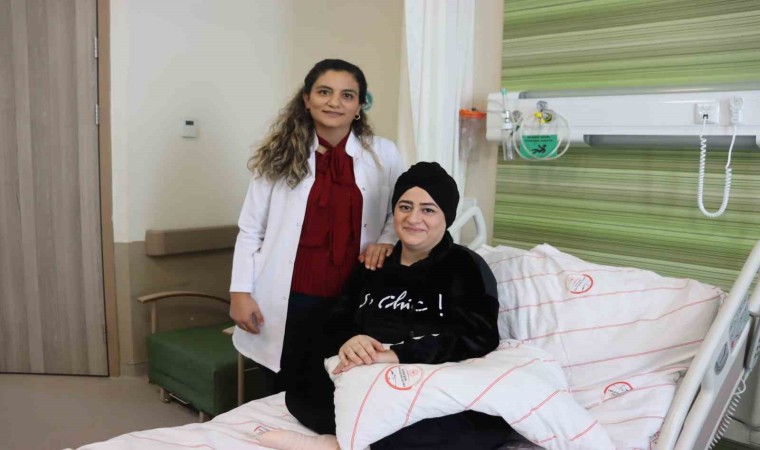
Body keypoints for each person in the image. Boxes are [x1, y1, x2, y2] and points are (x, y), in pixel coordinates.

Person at [259, 162, 513, 450]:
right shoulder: (373, 265)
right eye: (405, 207)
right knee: (300, 393)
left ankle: (340, 443)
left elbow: (481, 335)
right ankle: (363, 439)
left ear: (447, 216)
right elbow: (336, 320)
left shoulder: (465, 266)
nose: (413, 218)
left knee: (487, 426)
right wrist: (350, 340)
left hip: (428, 381)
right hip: (367, 378)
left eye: (428, 210)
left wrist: (396, 355)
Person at [229, 59, 405, 392]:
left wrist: (386, 240)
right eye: (324, 92)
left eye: (347, 95)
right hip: (290, 296)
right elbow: (251, 229)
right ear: (307, 99)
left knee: (342, 387)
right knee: (282, 389)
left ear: (359, 106)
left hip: (353, 297)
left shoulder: (384, 153)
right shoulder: (279, 155)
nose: (334, 102)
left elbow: (400, 211)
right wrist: (240, 292)